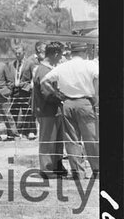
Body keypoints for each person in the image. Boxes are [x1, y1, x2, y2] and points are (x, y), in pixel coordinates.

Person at [40, 43, 98, 178]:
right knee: (91, 138)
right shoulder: (89, 64)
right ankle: (97, 170)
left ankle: (78, 172)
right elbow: (98, 76)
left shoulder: (63, 66)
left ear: (72, 53)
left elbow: (44, 81)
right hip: (85, 102)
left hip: (67, 103)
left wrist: (57, 94)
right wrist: (96, 96)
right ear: (84, 52)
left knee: (72, 140)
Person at [31, 42, 66, 178]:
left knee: (57, 141)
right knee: (47, 141)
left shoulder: (50, 68)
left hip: (55, 111)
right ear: (56, 54)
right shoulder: (43, 70)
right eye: (61, 55)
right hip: (47, 111)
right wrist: (62, 97)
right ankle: (46, 169)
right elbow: (47, 93)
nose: (61, 58)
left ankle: (57, 166)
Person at [9, 44, 36, 139]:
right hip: (15, 92)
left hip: (26, 91)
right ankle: (15, 132)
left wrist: (31, 86)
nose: (17, 55)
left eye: (19, 53)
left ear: (24, 53)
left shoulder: (30, 63)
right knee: (14, 112)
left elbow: (34, 76)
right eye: (16, 53)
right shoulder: (12, 64)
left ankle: (29, 132)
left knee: (28, 112)